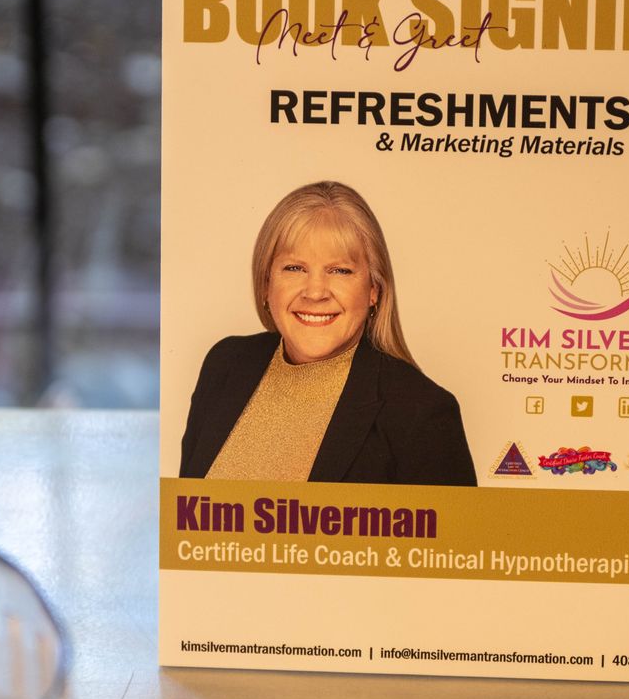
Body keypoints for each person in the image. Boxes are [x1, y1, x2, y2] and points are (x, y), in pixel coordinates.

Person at [179, 181, 477, 486]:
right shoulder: (225, 364)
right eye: (294, 268)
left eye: (340, 271)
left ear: (374, 289)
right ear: (266, 284)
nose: (316, 291)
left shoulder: (422, 413)